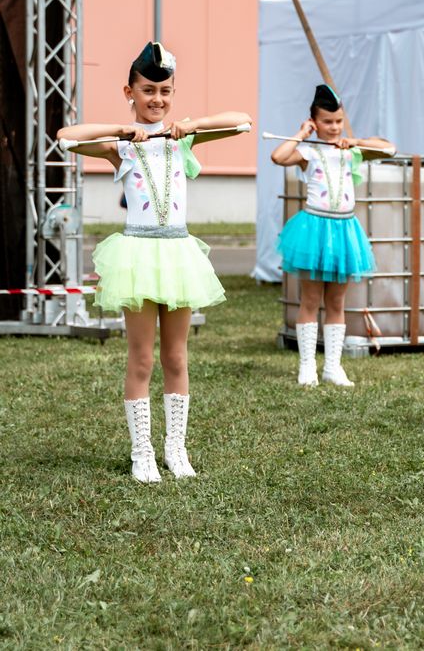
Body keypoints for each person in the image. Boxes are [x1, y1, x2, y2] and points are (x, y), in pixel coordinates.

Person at [56, 42, 251, 482]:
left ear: (173, 92)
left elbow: (242, 121)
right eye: (147, 90)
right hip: (138, 256)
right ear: (129, 92)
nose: (157, 99)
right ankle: (141, 451)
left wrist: (193, 125)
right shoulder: (120, 146)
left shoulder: (183, 139)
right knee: (142, 359)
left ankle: (175, 448)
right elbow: (67, 136)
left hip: (179, 255)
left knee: (176, 358)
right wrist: (121, 131)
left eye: (165, 91)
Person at [271, 84, 395, 387]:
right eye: (327, 122)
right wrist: (302, 134)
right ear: (314, 121)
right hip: (314, 231)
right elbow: (278, 156)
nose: (334, 127)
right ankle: (307, 366)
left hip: (344, 231)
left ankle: (333, 366)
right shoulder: (308, 151)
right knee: (311, 300)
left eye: (338, 121)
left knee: (337, 303)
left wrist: (355, 141)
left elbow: (389, 148)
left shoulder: (350, 151)